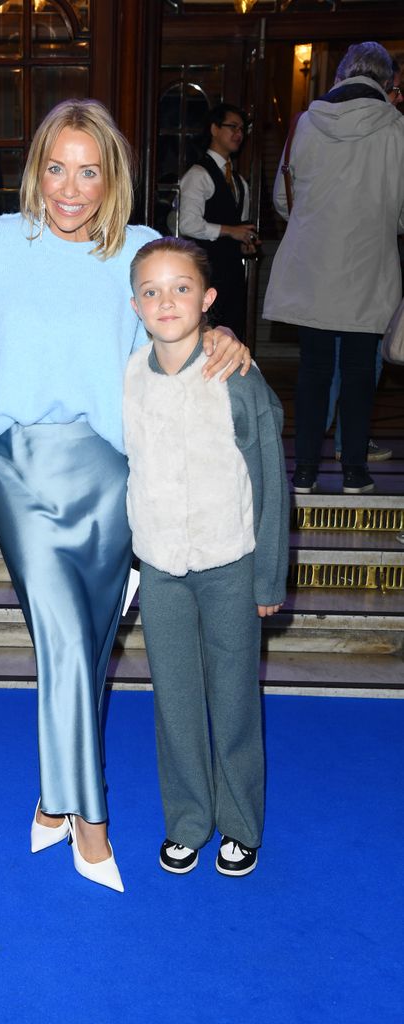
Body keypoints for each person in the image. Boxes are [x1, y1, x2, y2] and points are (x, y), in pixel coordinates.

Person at [0, 99, 250, 893]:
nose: (71, 188)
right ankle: (92, 821)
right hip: (20, 468)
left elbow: (182, 322)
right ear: (35, 169)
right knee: (60, 641)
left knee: (88, 647)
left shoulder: (145, 250)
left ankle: (53, 798)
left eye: (89, 169)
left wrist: (221, 337)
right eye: (56, 167)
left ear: (112, 173)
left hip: (120, 477)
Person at [123, 237, 288, 878]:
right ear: (134, 303)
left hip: (230, 563)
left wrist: (269, 572)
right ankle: (187, 821)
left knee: (235, 697)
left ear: (208, 299)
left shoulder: (235, 374)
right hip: (161, 568)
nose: (167, 301)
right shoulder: (128, 374)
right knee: (176, 701)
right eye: (152, 290)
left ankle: (241, 824)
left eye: (182, 288)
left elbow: (270, 478)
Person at [263, 41, 404, 496]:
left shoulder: (307, 122)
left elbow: (284, 198)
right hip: (369, 263)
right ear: (386, 83)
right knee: (362, 371)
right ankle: (354, 473)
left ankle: (303, 471)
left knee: (314, 370)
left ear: (342, 75)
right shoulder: (396, 128)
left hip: (313, 265)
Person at [177, 103, 260, 340]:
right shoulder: (198, 174)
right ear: (214, 129)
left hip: (232, 274)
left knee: (231, 334)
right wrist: (230, 231)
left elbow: (238, 227)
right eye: (232, 127)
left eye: (242, 129)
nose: (239, 134)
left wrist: (245, 241)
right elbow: (187, 224)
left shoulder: (239, 181)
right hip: (206, 272)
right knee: (205, 335)